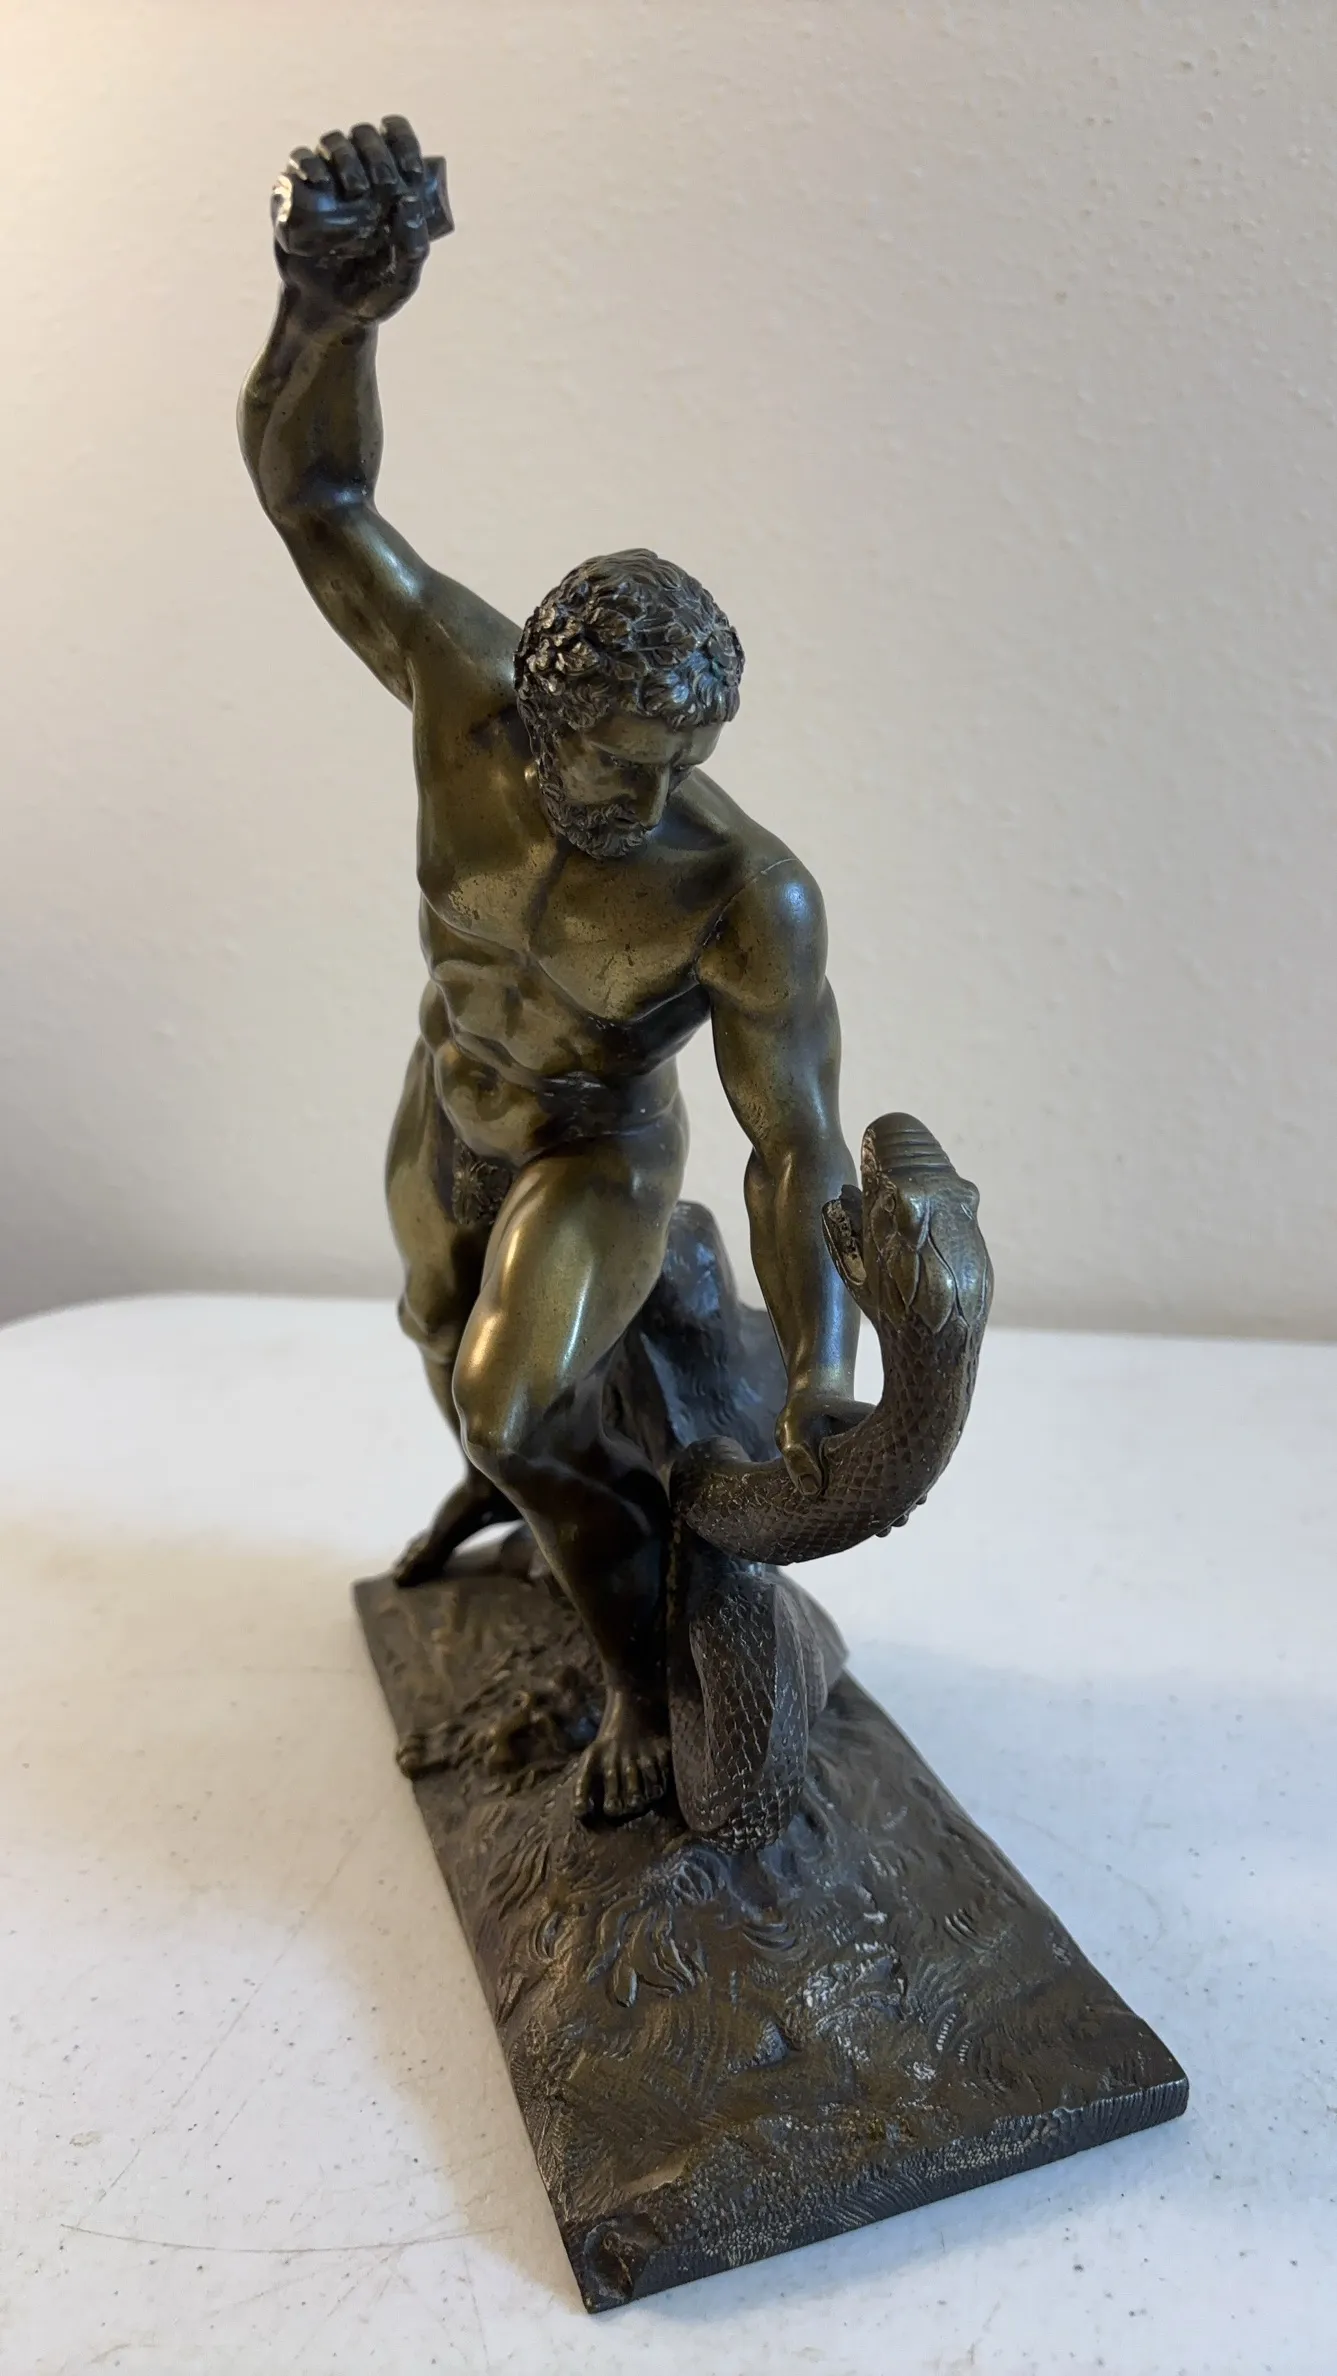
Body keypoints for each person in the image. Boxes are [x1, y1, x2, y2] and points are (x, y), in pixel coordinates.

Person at [240, 117, 859, 1820]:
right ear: (537, 709)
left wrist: (823, 1367)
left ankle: (643, 1681)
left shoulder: (744, 891)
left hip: (597, 1144)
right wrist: (327, 315)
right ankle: (552, 1511)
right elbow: (317, 500)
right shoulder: (460, 686)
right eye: (618, 767)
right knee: (444, 1347)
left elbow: (795, 1140)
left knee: (513, 1401)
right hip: (443, 1093)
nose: (650, 805)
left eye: (682, 767)